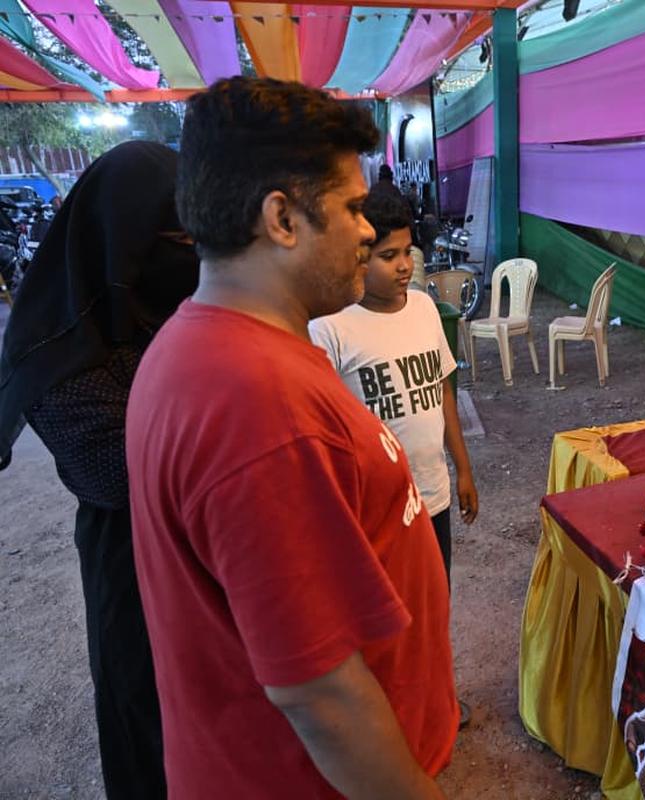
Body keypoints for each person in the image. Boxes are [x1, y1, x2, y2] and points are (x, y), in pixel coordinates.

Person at [125, 77, 455, 798]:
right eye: (350, 207)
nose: (369, 232)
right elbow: (321, 692)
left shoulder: (207, 346)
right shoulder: (255, 402)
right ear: (281, 219)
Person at [0, 141, 199, 799]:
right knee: (144, 714)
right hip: (131, 563)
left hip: (203, 548)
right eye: (174, 238)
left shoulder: (173, 309)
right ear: (121, 239)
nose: (191, 255)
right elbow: (117, 475)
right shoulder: (58, 345)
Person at [310, 182, 478, 580]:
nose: (404, 266)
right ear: (357, 256)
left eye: (407, 252)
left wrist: (464, 469)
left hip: (432, 495)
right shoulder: (330, 328)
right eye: (388, 256)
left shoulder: (423, 308)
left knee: (436, 602)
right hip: (374, 507)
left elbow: (443, 392)